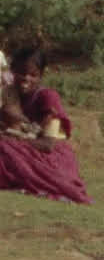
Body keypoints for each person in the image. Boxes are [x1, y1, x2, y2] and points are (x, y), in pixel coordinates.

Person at [0, 46, 92, 204]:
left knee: (5, 149)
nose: (26, 79)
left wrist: (14, 141)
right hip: (22, 145)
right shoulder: (10, 94)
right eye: (21, 73)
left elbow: (48, 144)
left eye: (33, 75)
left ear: (41, 76)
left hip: (49, 154)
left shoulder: (48, 98)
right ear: (12, 72)